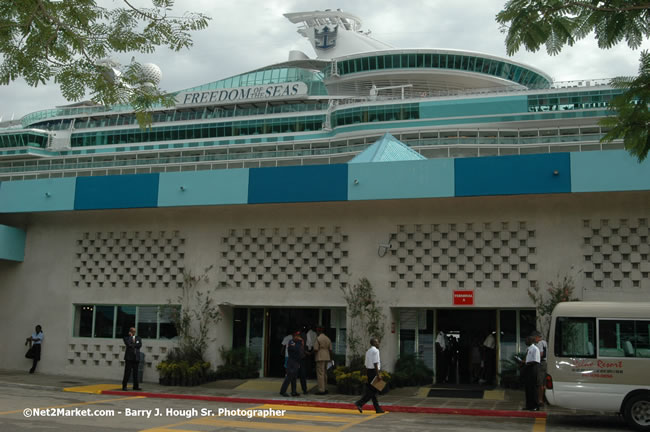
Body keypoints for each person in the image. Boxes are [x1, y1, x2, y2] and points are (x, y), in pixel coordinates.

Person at [354, 338, 385, 414]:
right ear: (374, 343)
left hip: (369, 371)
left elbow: (366, 364)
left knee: (373, 391)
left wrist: (366, 374)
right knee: (374, 390)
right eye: (377, 342)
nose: (378, 343)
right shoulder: (376, 351)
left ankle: (377, 409)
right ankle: (360, 403)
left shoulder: (368, 351)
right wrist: (378, 375)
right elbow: (375, 363)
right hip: (374, 371)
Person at [279, 331, 302, 397]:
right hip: (292, 361)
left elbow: (299, 349)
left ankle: (293, 391)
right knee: (289, 376)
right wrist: (299, 343)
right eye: (296, 336)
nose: (297, 337)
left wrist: (299, 343)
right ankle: (283, 391)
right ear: (294, 336)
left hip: (296, 361)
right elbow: (296, 349)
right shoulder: (291, 342)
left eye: (298, 336)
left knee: (294, 377)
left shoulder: (298, 342)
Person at [313, 326, 333, 395]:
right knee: (325, 373)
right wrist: (330, 357)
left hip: (320, 356)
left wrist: (313, 354)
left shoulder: (318, 338)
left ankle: (321, 390)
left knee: (320, 374)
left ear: (318, 331)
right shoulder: (328, 338)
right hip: (327, 356)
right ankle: (325, 388)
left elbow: (315, 349)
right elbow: (330, 349)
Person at [523, 335, 540, 411]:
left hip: (533, 368)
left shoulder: (535, 349)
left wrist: (527, 363)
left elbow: (536, 360)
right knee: (528, 388)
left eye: (527, 340)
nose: (525, 341)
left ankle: (535, 405)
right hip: (528, 368)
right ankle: (529, 405)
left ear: (531, 341)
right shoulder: (528, 349)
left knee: (533, 387)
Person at [533, 330, 548, 406]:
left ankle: (540, 400)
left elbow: (541, 354)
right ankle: (544, 399)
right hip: (545, 363)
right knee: (544, 382)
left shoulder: (539, 343)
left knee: (540, 383)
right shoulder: (544, 342)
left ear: (536, 337)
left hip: (541, 363)